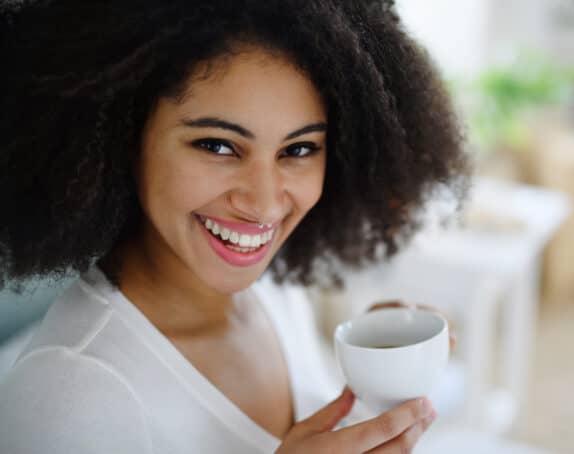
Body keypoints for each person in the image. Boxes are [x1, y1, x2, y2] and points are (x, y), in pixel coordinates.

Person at [0, 1, 468, 452]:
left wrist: (370, 378)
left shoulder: (272, 289)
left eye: (299, 149)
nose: (264, 204)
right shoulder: (67, 396)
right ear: (123, 137)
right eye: (218, 146)